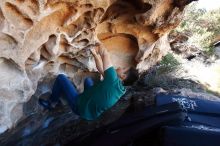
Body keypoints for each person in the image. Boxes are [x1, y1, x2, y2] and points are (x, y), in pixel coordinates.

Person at [39, 44, 130, 120]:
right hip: (92, 113)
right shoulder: (121, 88)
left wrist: (96, 45)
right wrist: (94, 54)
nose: (121, 67)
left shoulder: (112, 79)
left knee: (61, 78)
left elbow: (104, 53)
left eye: (124, 69)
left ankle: (52, 102)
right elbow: (101, 69)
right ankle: (83, 97)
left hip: (80, 108)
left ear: (123, 76)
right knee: (88, 81)